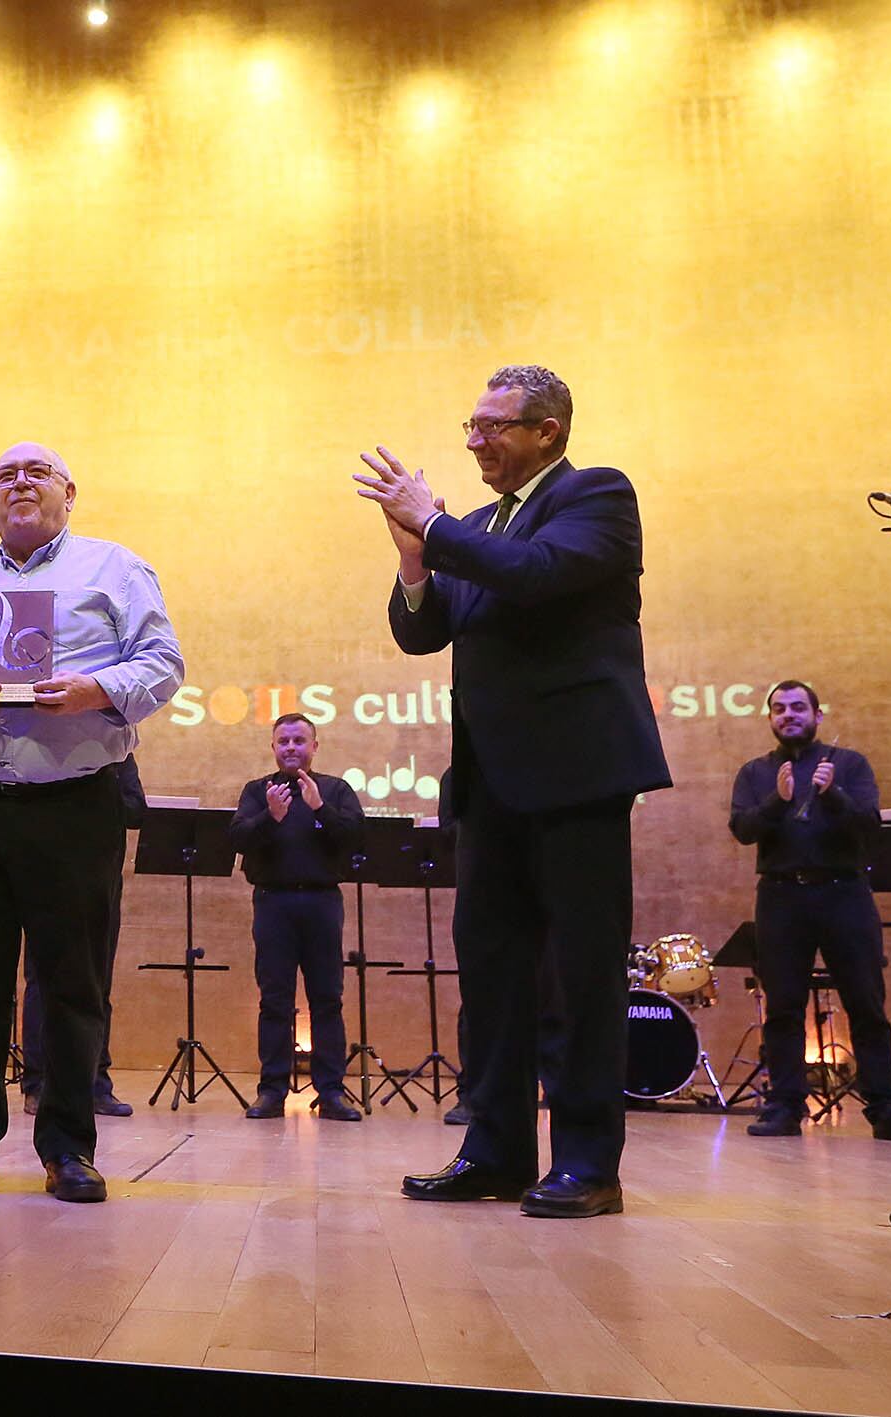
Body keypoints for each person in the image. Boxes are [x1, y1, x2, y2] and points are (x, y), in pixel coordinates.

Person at [357, 364, 671, 1219]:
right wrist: (417, 557)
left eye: (492, 425)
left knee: (580, 977)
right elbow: (424, 631)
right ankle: (494, 1151)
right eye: (470, 423)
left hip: (577, 776)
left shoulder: (596, 496)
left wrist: (436, 521)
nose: (472, 440)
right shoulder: (480, 526)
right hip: (489, 784)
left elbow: (533, 574)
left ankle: (587, 1165)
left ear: (548, 432)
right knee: (493, 976)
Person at [0, 441, 183, 1204]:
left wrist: (96, 687)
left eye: (36, 472)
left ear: (70, 492)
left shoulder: (115, 568)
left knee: (70, 981)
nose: (19, 483)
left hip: (75, 800)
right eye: (4, 475)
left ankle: (67, 1147)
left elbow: (162, 662)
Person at [728, 681, 891, 1140]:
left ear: (817, 715)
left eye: (798, 707)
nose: (789, 715)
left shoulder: (849, 764)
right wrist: (776, 801)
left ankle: (885, 1107)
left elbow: (869, 826)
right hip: (782, 897)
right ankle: (785, 1107)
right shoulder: (755, 772)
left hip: (844, 894)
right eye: (779, 709)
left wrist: (833, 794)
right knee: (783, 1006)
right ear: (770, 719)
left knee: (866, 1003)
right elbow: (743, 829)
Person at [226, 713, 365, 1121]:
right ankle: (271, 1091)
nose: (291, 747)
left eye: (299, 740)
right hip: (273, 903)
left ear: (314, 746)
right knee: (274, 1001)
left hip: (322, 903)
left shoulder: (336, 790)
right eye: (283, 741)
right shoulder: (257, 791)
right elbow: (236, 839)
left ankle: (332, 1092)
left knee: (327, 999)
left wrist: (320, 809)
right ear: (273, 748)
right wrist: (271, 817)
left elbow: (356, 837)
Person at [20, 755, 145, 1119]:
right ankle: (38, 1083)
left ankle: (95, 1083)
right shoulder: (47, 753)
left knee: (96, 986)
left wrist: (97, 793)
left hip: (98, 886)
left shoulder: (120, 757)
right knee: (41, 984)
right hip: (46, 881)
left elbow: (137, 811)